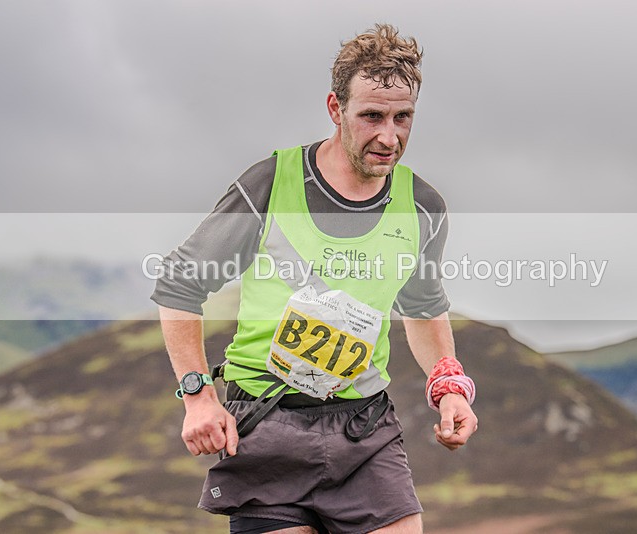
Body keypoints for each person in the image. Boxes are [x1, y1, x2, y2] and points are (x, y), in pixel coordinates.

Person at [153, 23, 478, 534]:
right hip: (264, 423)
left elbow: (422, 306)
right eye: (371, 116)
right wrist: (197, 396)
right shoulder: (270, 183)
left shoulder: (422, 206)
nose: (389, 137)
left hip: (363, 429)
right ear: (335, 109)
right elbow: (179, 283)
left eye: (403, 118)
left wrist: (449, 386)